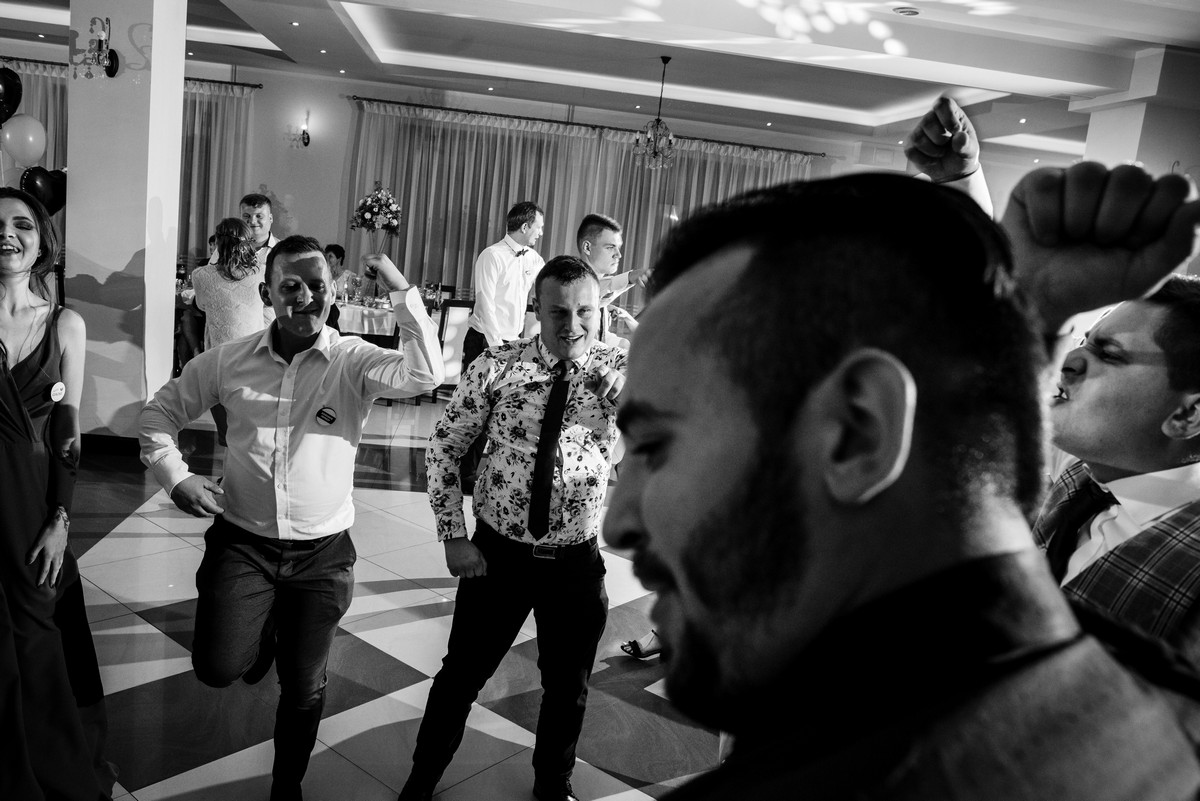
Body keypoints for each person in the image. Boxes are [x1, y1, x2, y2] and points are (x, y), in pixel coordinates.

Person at [601, 165, 1200, 801]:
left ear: (858, 432)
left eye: (655, 446)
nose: (618, 522)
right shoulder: (1158, 715)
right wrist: (1028, 308)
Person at [139, 238, 443, 801]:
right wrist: (175, 476)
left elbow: (425, 376)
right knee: (217, 668)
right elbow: (159, 413)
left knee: (304, 687)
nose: (305, 297)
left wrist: (402, 293)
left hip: (322, 555)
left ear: (334, 292)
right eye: (291, 286)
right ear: (267, 293)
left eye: (317, 286)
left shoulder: (352, 359)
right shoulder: (228, 361)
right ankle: (263, 630)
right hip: (243, 543)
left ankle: (287, 786)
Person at [400, 256, 626, 801]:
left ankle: (553, 785)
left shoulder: (623, 370)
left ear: (599, 310)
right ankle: (422, 778)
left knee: (567, 687)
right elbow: (445, 447)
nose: (572, 325)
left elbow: (671, 442)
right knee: (460, 676)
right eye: (558, 312)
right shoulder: (498, 366)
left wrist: (629, 401)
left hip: (574, 562)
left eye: (584, 312)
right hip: (498, 557)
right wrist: (453, 534)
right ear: (537, 310)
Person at [0, 186, 106, 800]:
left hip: (29, 500)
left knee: (37, 631)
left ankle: (51, 770)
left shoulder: (66, 324)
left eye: (21, 224)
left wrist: (61, 516)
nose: (7, 234)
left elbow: (69, 429)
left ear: (42, 240)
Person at [1033, 275, 1200, 663]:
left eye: (1109, 355)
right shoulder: (1081, 463)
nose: (1068, 361)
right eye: (1085, 341)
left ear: (1187, 415)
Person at [459, 201, 546, 491]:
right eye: (538, 227)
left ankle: (497, 471)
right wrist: (497, 349)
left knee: (507, 410)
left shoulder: (534, 259)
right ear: (525, 226)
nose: (540, 233)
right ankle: (463, 474)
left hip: (514, 343)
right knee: (476, 409)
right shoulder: (492, 255)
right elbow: (485, 304)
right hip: (485, 340)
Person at [190, 217, 277, 446]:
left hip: (219, 356)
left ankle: (227, 457)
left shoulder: (201, 275)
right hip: (254, 354)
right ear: (249, 242)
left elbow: (201, 305)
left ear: (218, 243)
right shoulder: (263, 273)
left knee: (225, 426)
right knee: (249, 424)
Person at [576, 213, 642, 345]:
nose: (619, 255)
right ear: (587, 248)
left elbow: (599, 338)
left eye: (618, 248)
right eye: (610, 247)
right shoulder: (574, 282)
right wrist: (630, 277)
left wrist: (623, 344)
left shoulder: (602, 296)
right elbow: (594, 289)